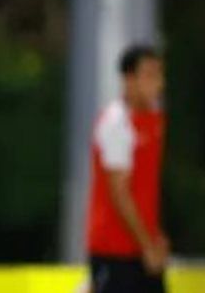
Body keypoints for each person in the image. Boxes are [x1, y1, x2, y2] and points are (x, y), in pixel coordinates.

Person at [87, 45, 169, 293]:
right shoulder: (117, 123)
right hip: (114, 249)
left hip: (143, 247)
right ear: (129, 79)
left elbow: (146, 187)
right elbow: (119, 192)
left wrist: (155, 235)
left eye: (159, 74)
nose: (158, 83)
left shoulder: (154, 120)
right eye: (149, 75)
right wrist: (147, 244)